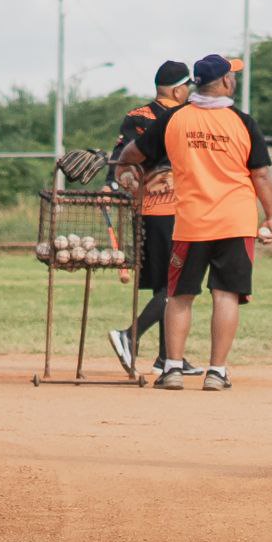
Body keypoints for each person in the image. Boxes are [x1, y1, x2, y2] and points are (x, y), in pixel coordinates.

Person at [115, 54, 272, 391]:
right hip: (236, 220)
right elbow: (260, 175)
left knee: (179, 295)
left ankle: (172, 368)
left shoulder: (174, 119)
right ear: (225, 83)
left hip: (191, 221)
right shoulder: (243, 122)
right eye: (232, 76)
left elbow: (133, 152)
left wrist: (122, 167)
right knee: (226, 295)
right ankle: (216, 372)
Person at [106, 60, 203, 378]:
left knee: (167, 283)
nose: (188, 91)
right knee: (174, 287)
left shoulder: (138, 116)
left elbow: (120, 158)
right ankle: (129, 336)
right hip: (170, 210)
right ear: (178, 89)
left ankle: (168, 356)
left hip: (153, 209)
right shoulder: (184, 117)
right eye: (187, 86)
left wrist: (116, 181)